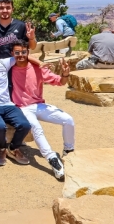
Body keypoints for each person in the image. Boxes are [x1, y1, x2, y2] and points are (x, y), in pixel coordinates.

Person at [10, 40, 75, 180]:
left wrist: (65, 74)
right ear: (12, 54)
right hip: (22, 108)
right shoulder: (8, 68)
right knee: (36, 128)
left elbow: (61, 82)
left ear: (28, 53)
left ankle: (68, 150)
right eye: (17, 52)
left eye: (23, 52)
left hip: (39, 105)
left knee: (68, 119)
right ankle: (52, 159)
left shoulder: (37, 68)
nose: (20, 55)